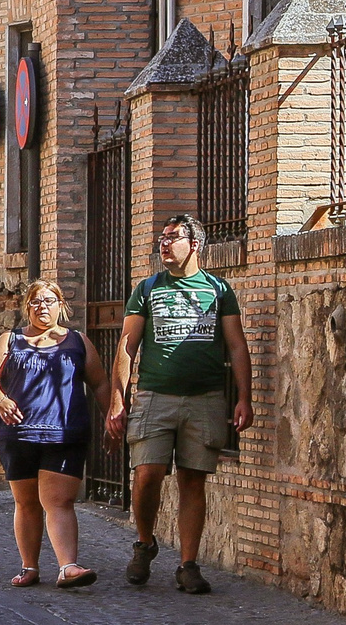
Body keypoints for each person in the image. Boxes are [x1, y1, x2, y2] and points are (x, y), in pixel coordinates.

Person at [105, 212, 253, 595]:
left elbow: (237, 346)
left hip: (205, 399)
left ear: (195, 245)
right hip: (155, 396)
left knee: (193, 479)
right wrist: (117, 400)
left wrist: (243, 398)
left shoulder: (219, 290)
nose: (164, 243)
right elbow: (127, 345)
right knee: (146, 472)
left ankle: (188, 564)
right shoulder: (148, 288)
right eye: (162, 237)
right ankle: (144, 542)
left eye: (173, 237)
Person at [0, 279, 102, 588]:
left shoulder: (77, 342)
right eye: (36, 302)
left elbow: (100, 382)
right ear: (27, 308)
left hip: (65, 434)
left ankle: (68, 567)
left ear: (61, 306)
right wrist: (2, 400)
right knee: (27, 503)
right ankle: (30, 567)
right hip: (18, 434)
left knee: (59, 501)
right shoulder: (10, 340)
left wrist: (114, 416)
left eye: (49, 301)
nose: (42, 307)